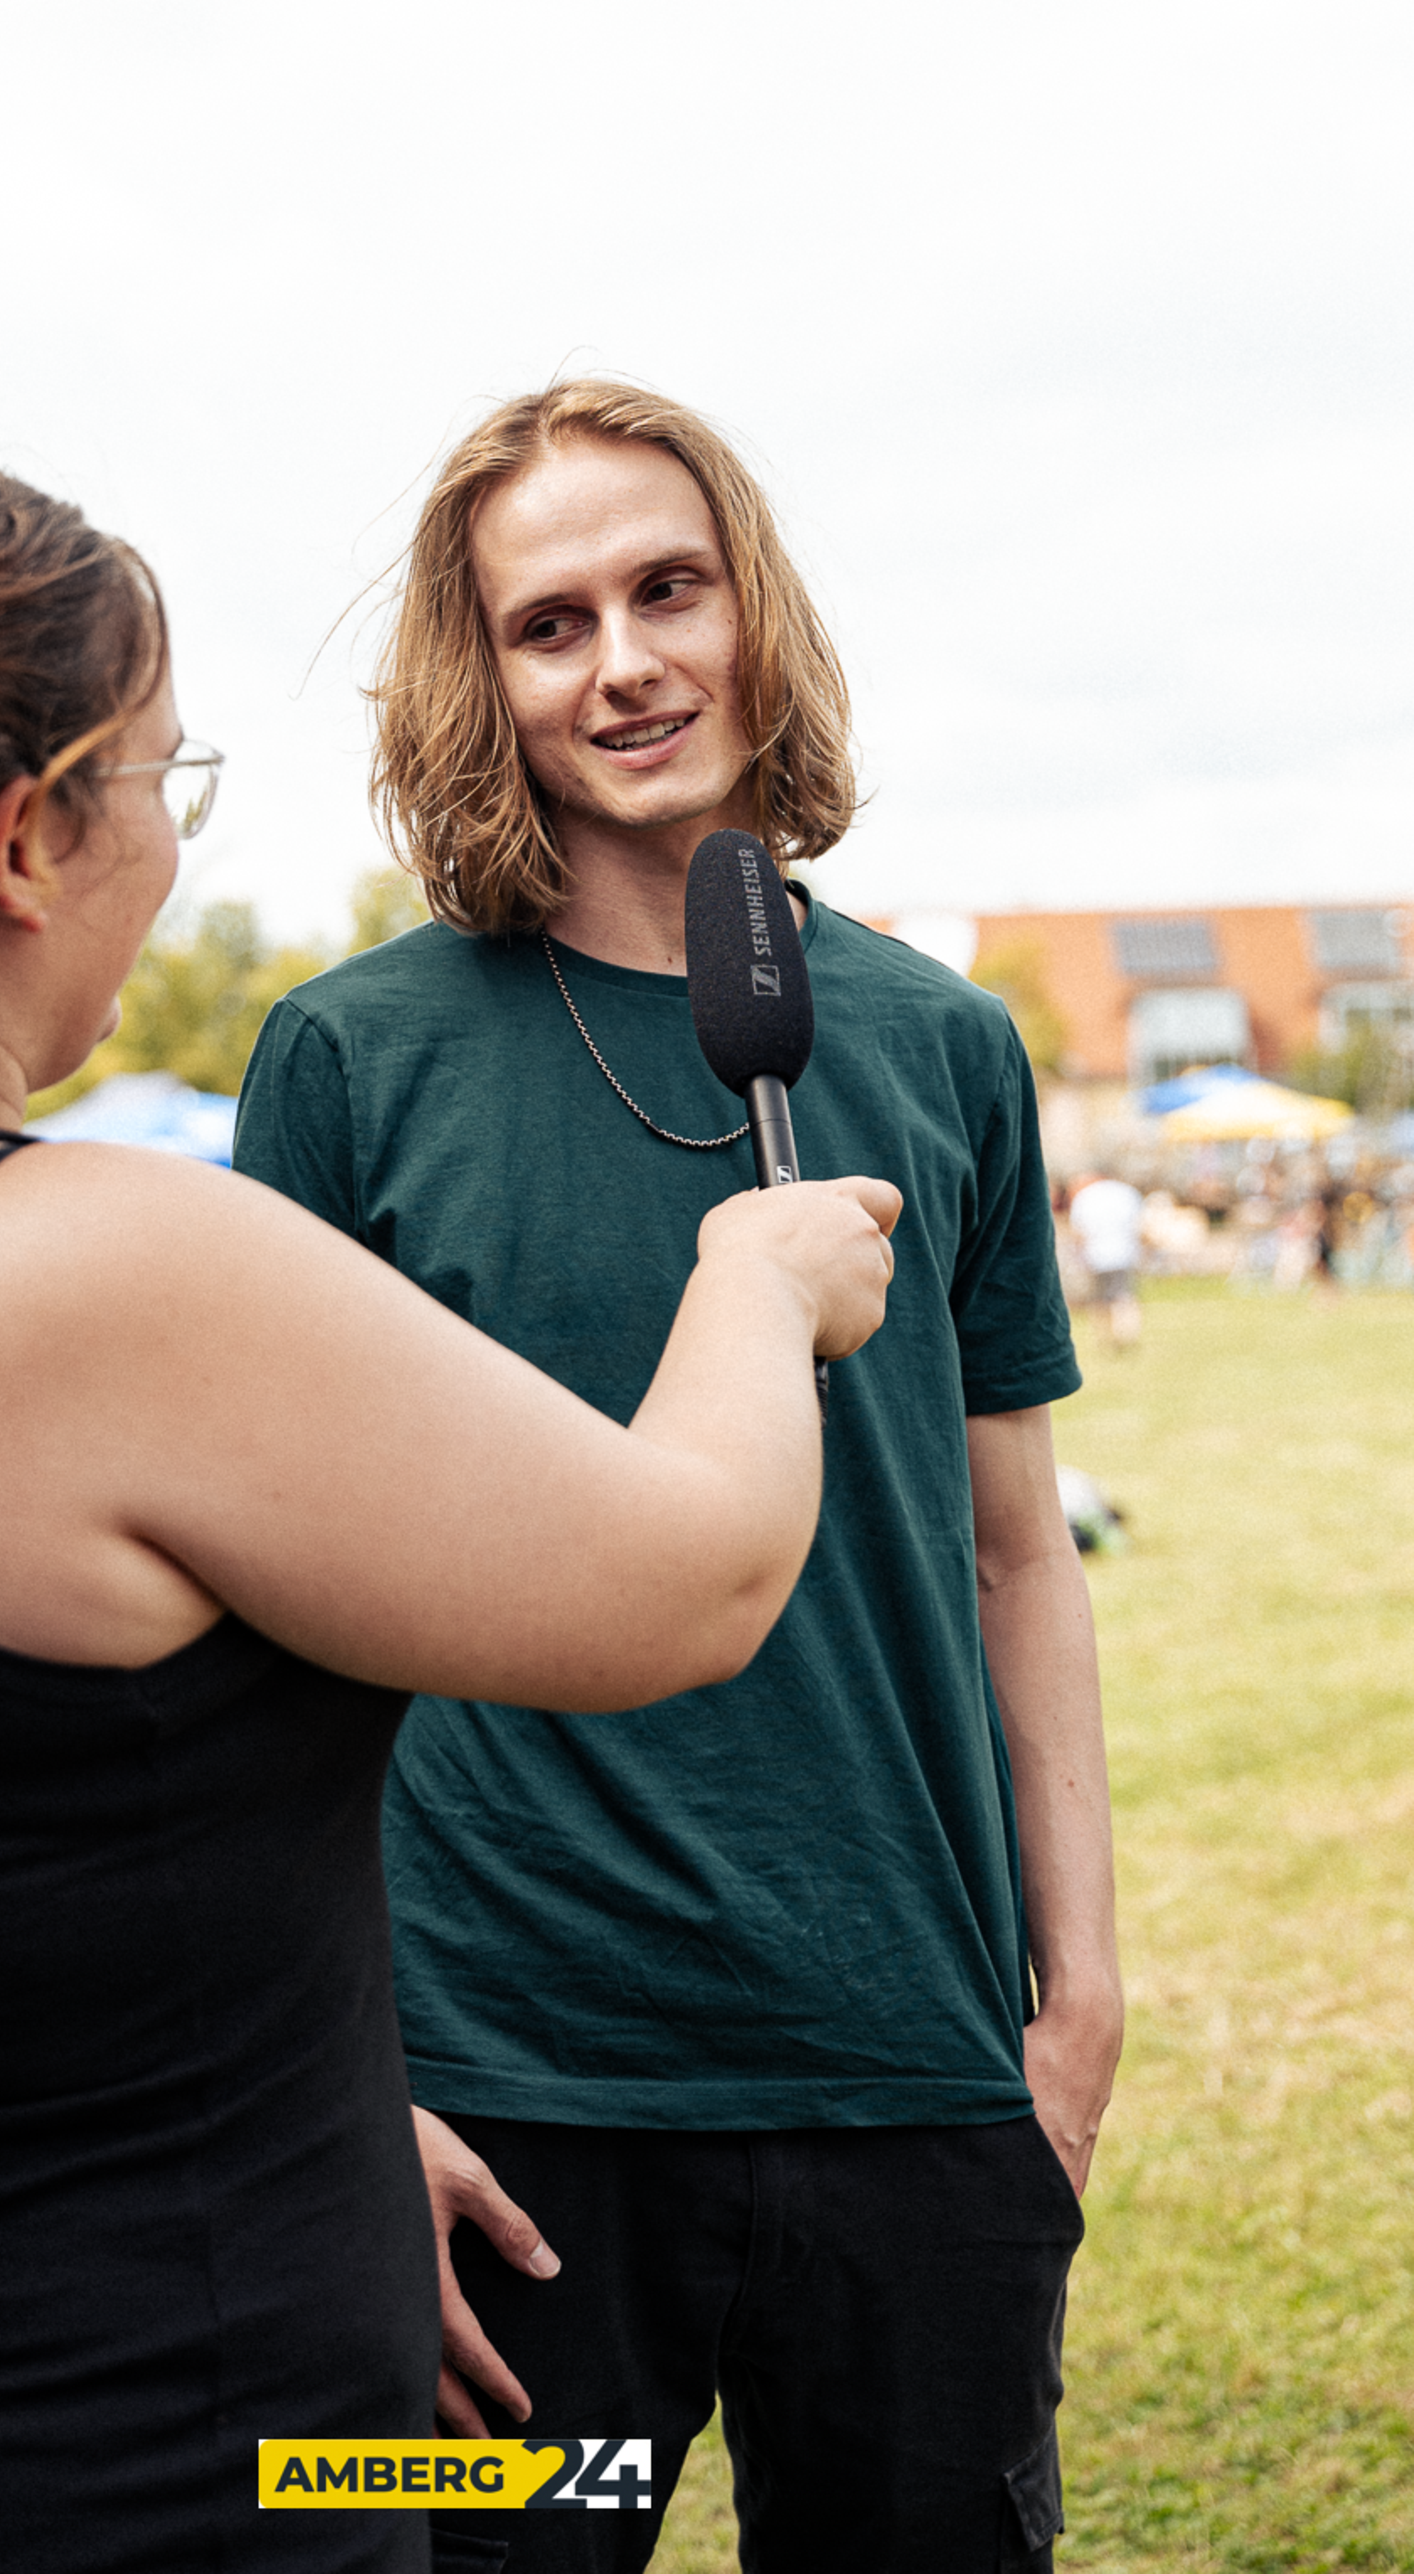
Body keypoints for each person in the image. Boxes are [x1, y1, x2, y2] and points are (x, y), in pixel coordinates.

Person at [0, 451, 898, 2574]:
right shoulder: (96, 1264)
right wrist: (754, 1281)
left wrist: (298, 2108)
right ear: (23, 839)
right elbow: (685, 1576)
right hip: (110, 2466)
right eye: (166, 779)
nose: (172, 837)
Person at [234, 378, 1123, 2573]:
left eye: (667, 589)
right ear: (489, 687)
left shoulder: (945, 1044)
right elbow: (264, 1630)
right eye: (550, 626)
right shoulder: (353, 1058)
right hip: (499, 2106)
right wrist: (347, 2095)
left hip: (914, 2076)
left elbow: (1018, 1557)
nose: (623, 662)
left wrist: (1076, 1997)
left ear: (752, 615)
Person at [1068, 1171, 1145, 1348]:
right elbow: (1139, 1224)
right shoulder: (1126, 1193)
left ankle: (1105, 1339)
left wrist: (1078, 1255)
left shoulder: (1086, 1196)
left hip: (1095, 1254)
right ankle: (1127, 1336)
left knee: (1099, 1300)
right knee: (1124, 1296)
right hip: (1124, 1252)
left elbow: (1078, 1230)